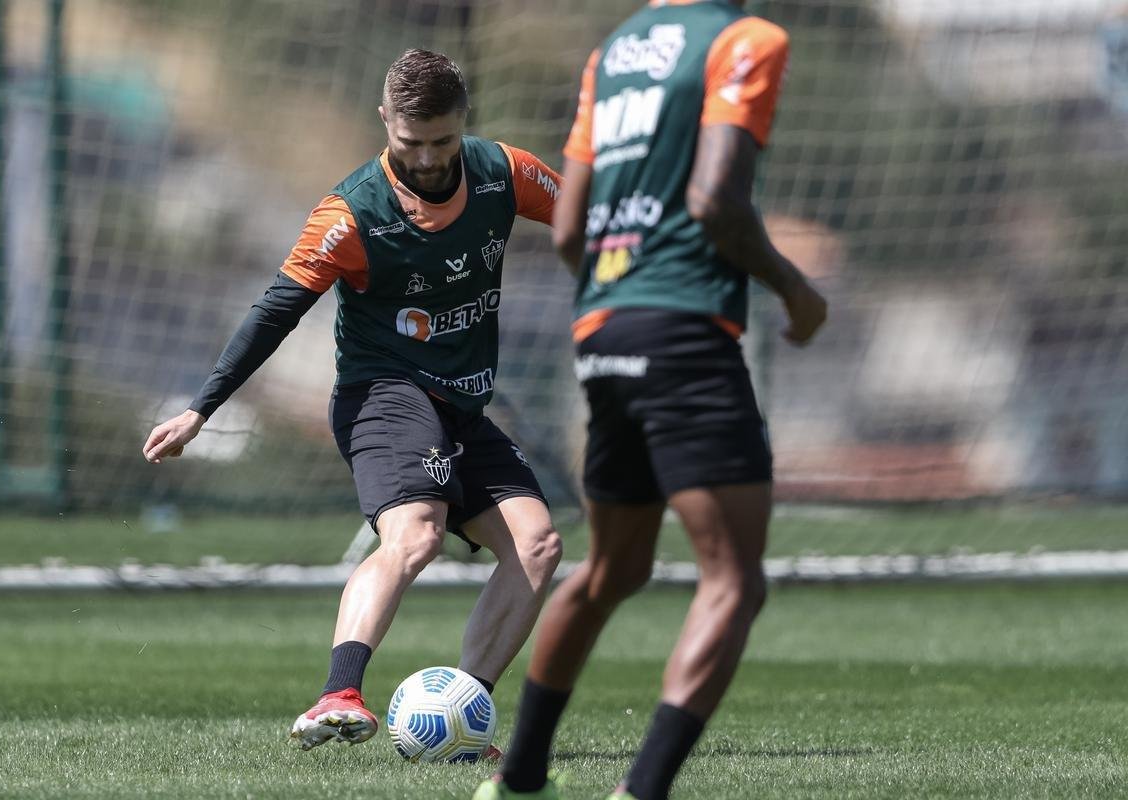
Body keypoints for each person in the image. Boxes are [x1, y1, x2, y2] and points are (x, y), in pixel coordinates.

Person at [142, 49, 564, 757]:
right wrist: (201, 409)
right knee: (417, 534)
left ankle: (460, 716)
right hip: (385, 395)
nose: (428, 159)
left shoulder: (505, 172)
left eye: (442, 141)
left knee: (537, 544)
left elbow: (589, 214)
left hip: (462, 407)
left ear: (463, 124)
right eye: (411, 143)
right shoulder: (350, 213)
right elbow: (276, 309)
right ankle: (339, 693)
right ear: (385, 122)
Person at [475, 1, 827, 798]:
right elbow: (715, 201)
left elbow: (569, 228)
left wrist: (624, 295)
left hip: (603, 330)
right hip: (685, 335)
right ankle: (641, 791)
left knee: (612, 568)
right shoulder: (746, 40)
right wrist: (797, 292)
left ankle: (518, 781)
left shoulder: (617, 50)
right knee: (734, 580)